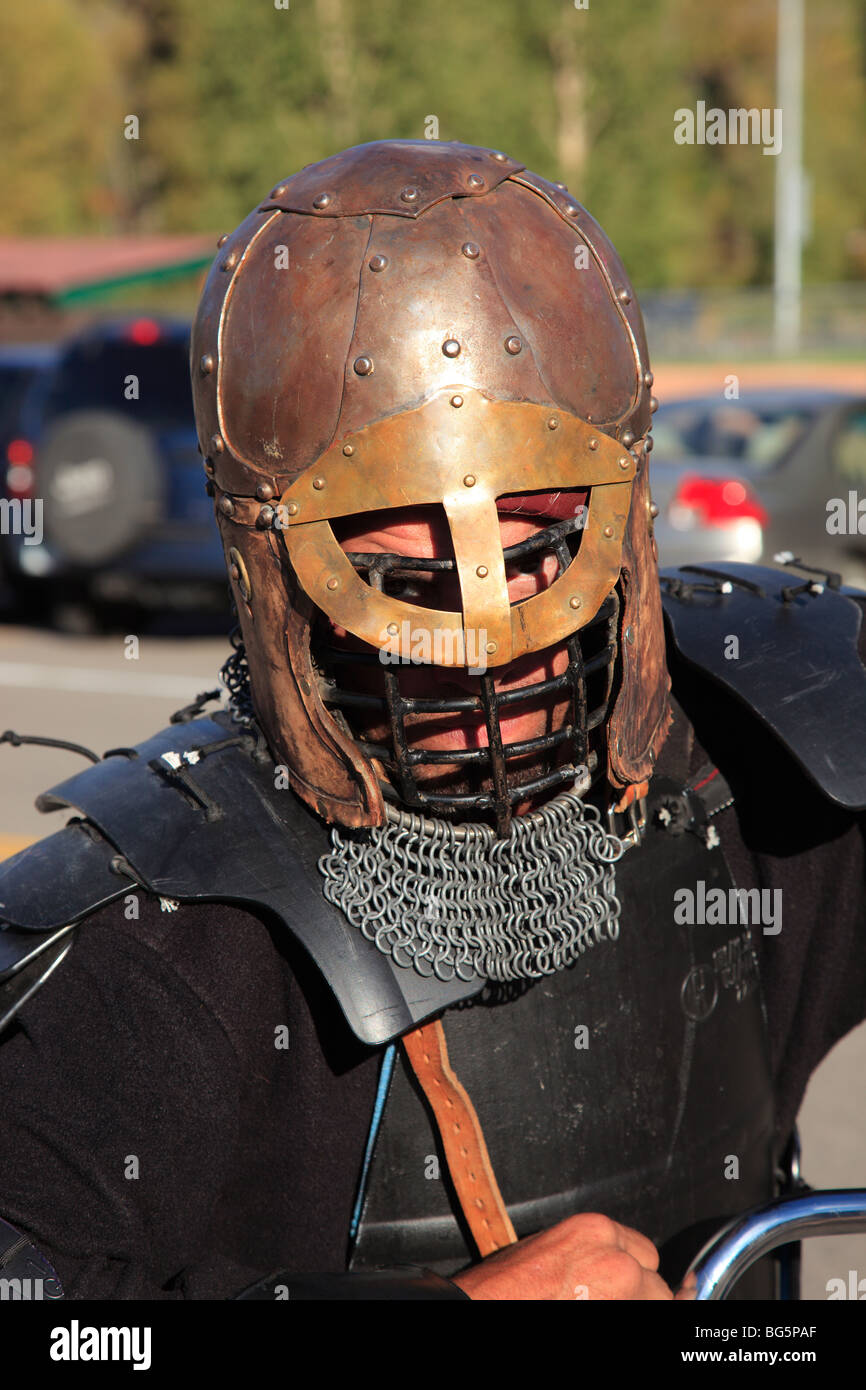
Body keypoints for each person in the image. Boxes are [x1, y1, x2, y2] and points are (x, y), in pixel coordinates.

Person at [1, 139, 865, 1302]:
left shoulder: (763, 771)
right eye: (403, 581)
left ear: (623, 523)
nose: (487, 636)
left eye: (537, 553)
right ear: (278, 574)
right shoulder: (166, 934)